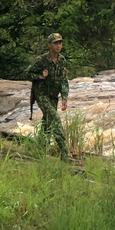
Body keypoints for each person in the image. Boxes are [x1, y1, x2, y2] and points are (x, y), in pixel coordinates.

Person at [26, 32, 70, 160]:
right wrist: (40, 76)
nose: (58, 46)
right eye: (55, 43)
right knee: (55, 119)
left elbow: (63, 80)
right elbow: (27, 73)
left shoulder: (61, 60)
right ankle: (64, 153)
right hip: (42, 95)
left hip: (53, 96)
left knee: (47, 124)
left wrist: (64, 97)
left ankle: (39, 148)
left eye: (60, 43)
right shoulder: (41, 60)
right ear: (49, 45)